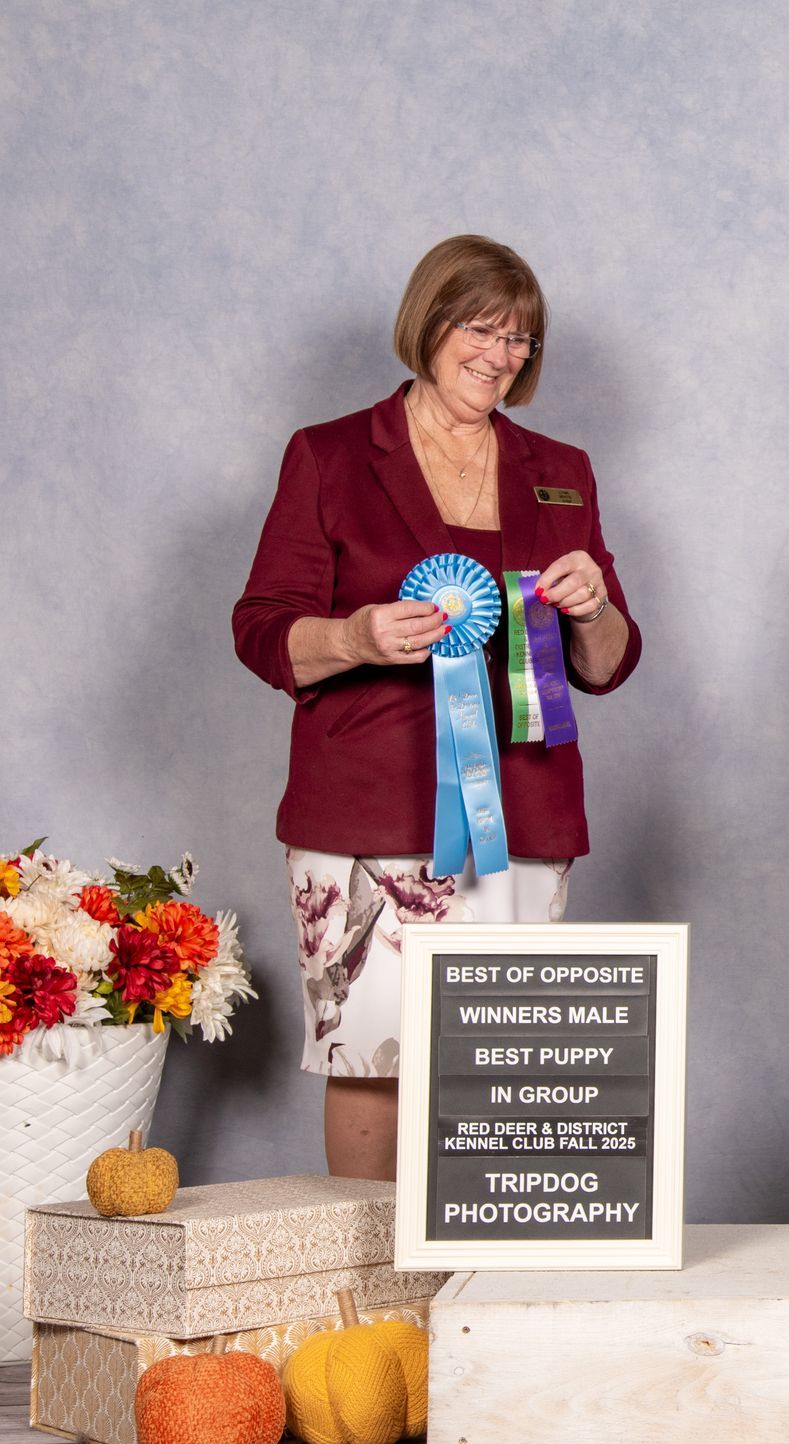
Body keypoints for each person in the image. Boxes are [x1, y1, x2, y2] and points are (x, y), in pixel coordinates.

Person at [233, 235, 640, 1179]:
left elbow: (610, 665)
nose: (500, 355)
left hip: (522, 813)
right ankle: (373, 1306)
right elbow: (261, 629)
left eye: (521, 341)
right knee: (373, 1063)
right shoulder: (330, 455)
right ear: (430, 324)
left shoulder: (561, 468)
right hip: (367, 808)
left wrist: (596, 606)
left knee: (503, 1071)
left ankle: (481, 1309)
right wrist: (358, 637)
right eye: (482, 329)